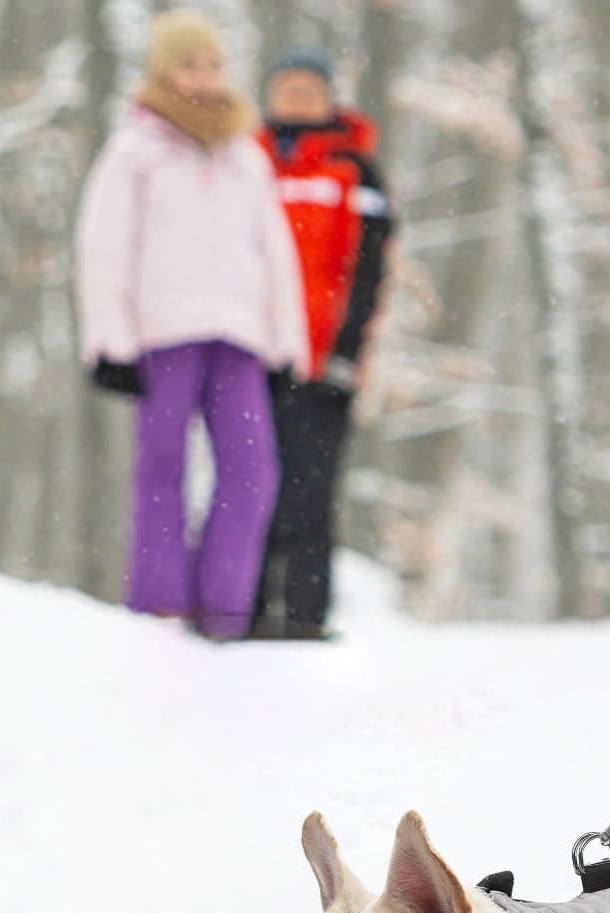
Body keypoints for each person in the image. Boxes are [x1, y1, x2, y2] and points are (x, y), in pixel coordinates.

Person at [74, 9, 308, 640]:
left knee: (252, 468)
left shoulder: (246, 154)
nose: (202, 77)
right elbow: (104, 246)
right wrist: (110, 342)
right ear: (162, 71)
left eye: (211, 64)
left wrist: (289, 345)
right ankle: (160, 603)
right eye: (188, 64)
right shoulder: (136, 149)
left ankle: (225, 609)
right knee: (162, 464)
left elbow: (275, 252)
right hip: (162, 332)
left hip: (239, 335)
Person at [253, 45, 394, 640]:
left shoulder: (355, 170)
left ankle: (306, 615)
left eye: (310, 89)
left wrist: (346, 352)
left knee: (310, 485)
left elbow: (367, 269)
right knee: (250, 484)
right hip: (253, 355)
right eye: (288, 87)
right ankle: (243, 608)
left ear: (329, 97)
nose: (298, 99)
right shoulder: (243, 162)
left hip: (322, 361)